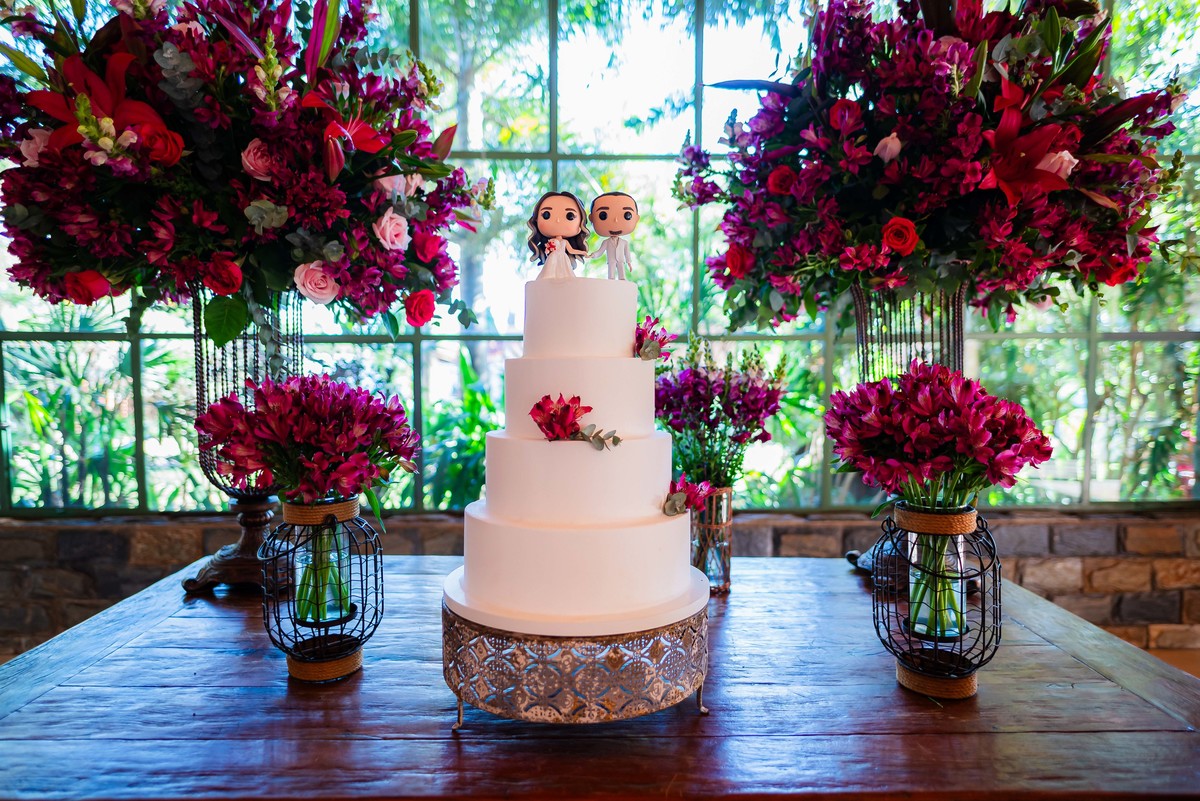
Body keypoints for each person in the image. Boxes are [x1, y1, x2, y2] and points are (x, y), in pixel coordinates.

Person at [526, 191, 590, 280]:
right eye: (546, 215)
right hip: (552, 258)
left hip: (563, 259)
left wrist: (583, 252)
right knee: (549, 274)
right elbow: (547, 250)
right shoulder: (551, 241)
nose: (558, 220)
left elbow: (571, 250)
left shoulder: (565, 242)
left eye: (570, 216)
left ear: (581, 222)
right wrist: (547, 250)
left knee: (566, 276)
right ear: (536, 220)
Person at [587, 191, 639, 280]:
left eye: (627, 215)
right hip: (611, 260)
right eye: (603, 215)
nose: (615, 220)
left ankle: (622, 280)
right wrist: (593, 255)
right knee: (611, 276)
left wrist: (629, 262)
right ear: (592, 218)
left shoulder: (624, 242)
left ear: (636, 219)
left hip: (621, 260)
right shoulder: (606, 242)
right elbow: (600, 251)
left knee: (622, 275)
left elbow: (627, 253)